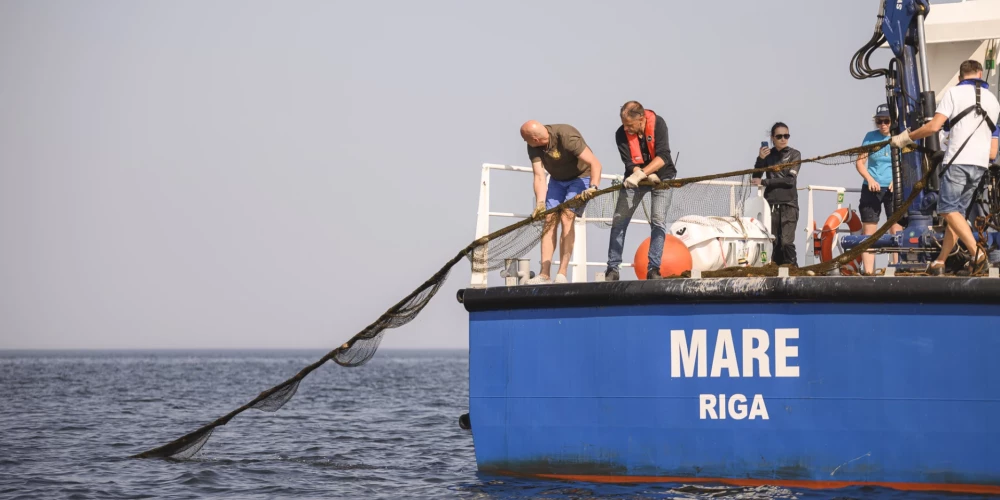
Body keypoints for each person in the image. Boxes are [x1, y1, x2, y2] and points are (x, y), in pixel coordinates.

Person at [891, 59, 1000, 275]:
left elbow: (933, 126)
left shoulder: (954, 93)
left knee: (947, 210)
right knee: (957, 214)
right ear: (980, 75)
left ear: (960, 77)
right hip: (980, 166)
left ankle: (978, 255)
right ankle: (940, 262)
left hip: (958, 162)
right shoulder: (993, 100)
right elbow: (993, 151)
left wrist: (905, 138)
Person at [520, 120, 603, 284]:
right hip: (557, 180)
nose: (526, 143)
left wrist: (593, 187)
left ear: (535, 139)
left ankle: (562, 273)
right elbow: (539, 176)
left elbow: (595, 163)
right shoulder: (533, 146)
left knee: (567, 216)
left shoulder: (566, 135)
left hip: (581, 177)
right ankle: (544, 274)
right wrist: (540, 204)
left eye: (526, 140)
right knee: (549, 219)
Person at [603, 101, 676, 281]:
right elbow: (629, 162)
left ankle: (653, 269)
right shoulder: (621, 134)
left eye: (630, 125)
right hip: (634, 180)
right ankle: (612, 268)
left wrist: (647, 173)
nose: (626, 129)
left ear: (641, 118)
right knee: (619, 220)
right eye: (624, 124)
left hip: (662, 177)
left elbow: (664, 156)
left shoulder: (658, 124)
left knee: (658, 221)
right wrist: (639, 176)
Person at [855, 104, 903, 274]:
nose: (883, 125)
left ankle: (898, 268)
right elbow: (860, 162)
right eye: (879, 121)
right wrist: (869, 179)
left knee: (896, 229)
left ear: (893, 122)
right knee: (869, 231)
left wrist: (897, 181)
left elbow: (907, 164)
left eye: (886, 121)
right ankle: (868, 272)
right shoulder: (870, 137)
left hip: (893, 189)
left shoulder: (900, 137)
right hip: (872, 188)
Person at [752, 122, 801, 266]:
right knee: (773, 241)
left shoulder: (795, 154)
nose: (783, 139)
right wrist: (760, 159)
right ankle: (776, 273)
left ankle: (793, 269)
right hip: (771, 204)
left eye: (786, 136)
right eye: (779, 136)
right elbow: (756, 177)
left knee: (786, 242)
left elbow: (789, 181)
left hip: (789, 204)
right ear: (772, 138)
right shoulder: (768, 155)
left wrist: (765, 182)